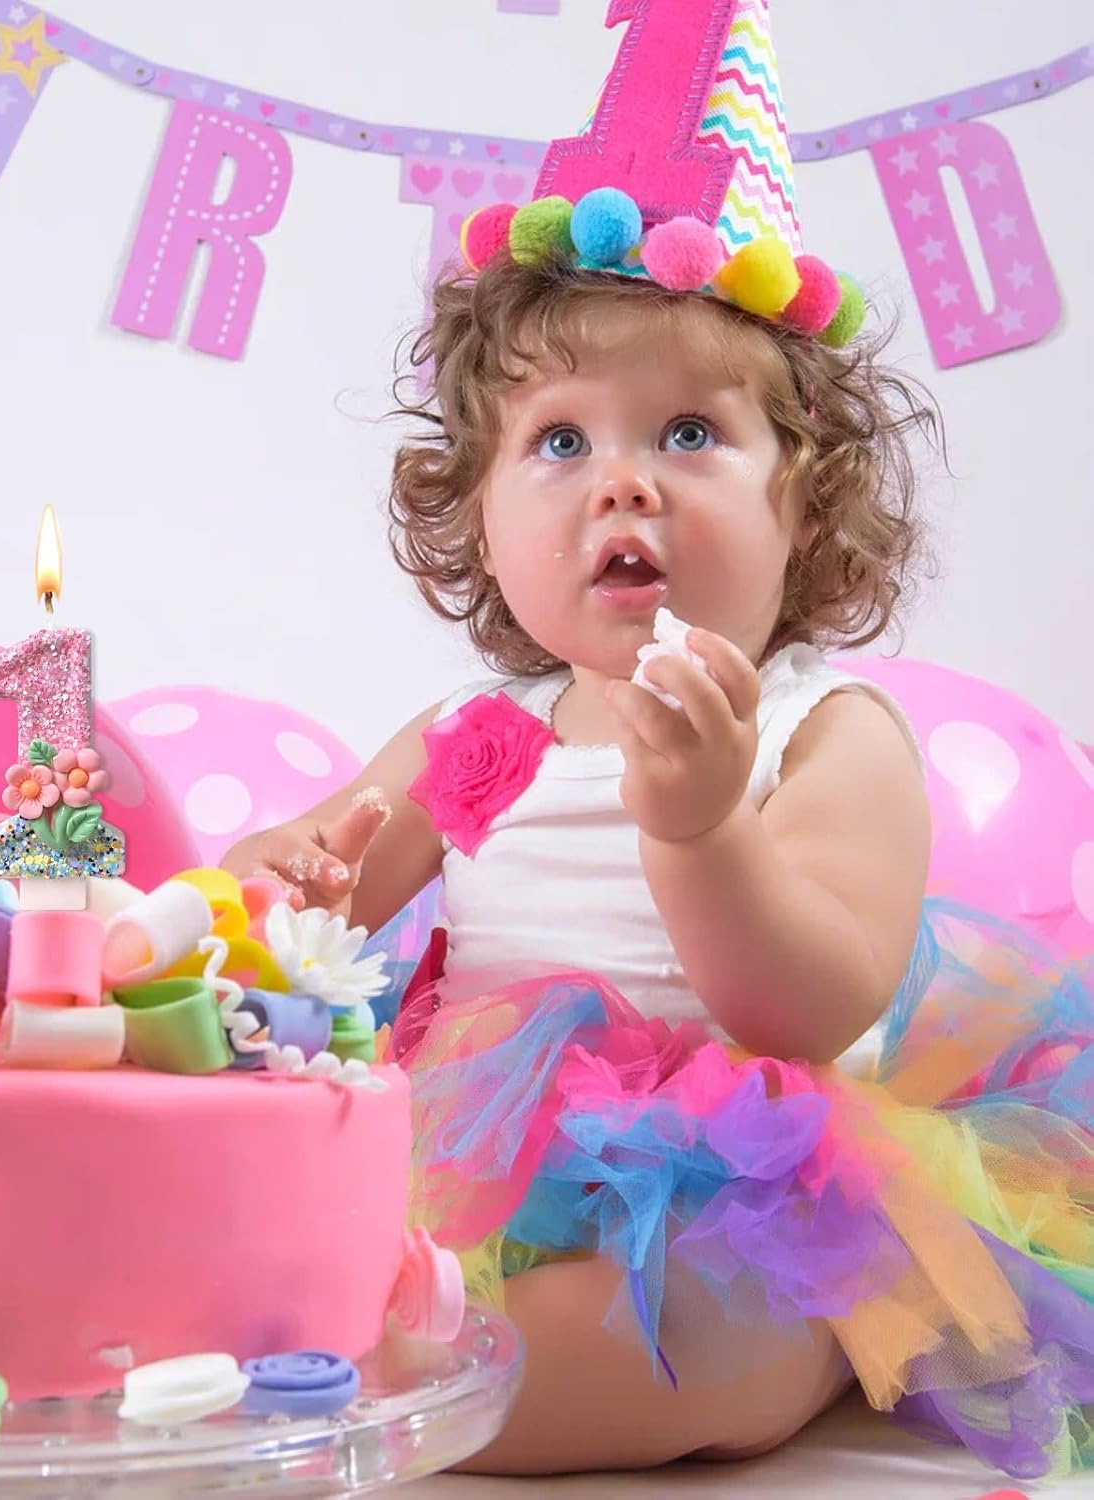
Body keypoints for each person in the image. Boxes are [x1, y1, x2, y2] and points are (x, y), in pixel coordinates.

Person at [224, 2, 1094, 1479]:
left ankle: (415, 1393)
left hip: (746, 1195)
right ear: (479, 513)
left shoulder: (826, 732)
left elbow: (806, 1006)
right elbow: (309, 889)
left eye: (689, 434)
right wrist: (285, 884)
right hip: (469, 1164)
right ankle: (340, 1354)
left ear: (802, 502)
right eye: (560, 442)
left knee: (702, 1335)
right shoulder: (478, 732)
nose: (621, 485)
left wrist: (702, 827)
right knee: (271, 1226)